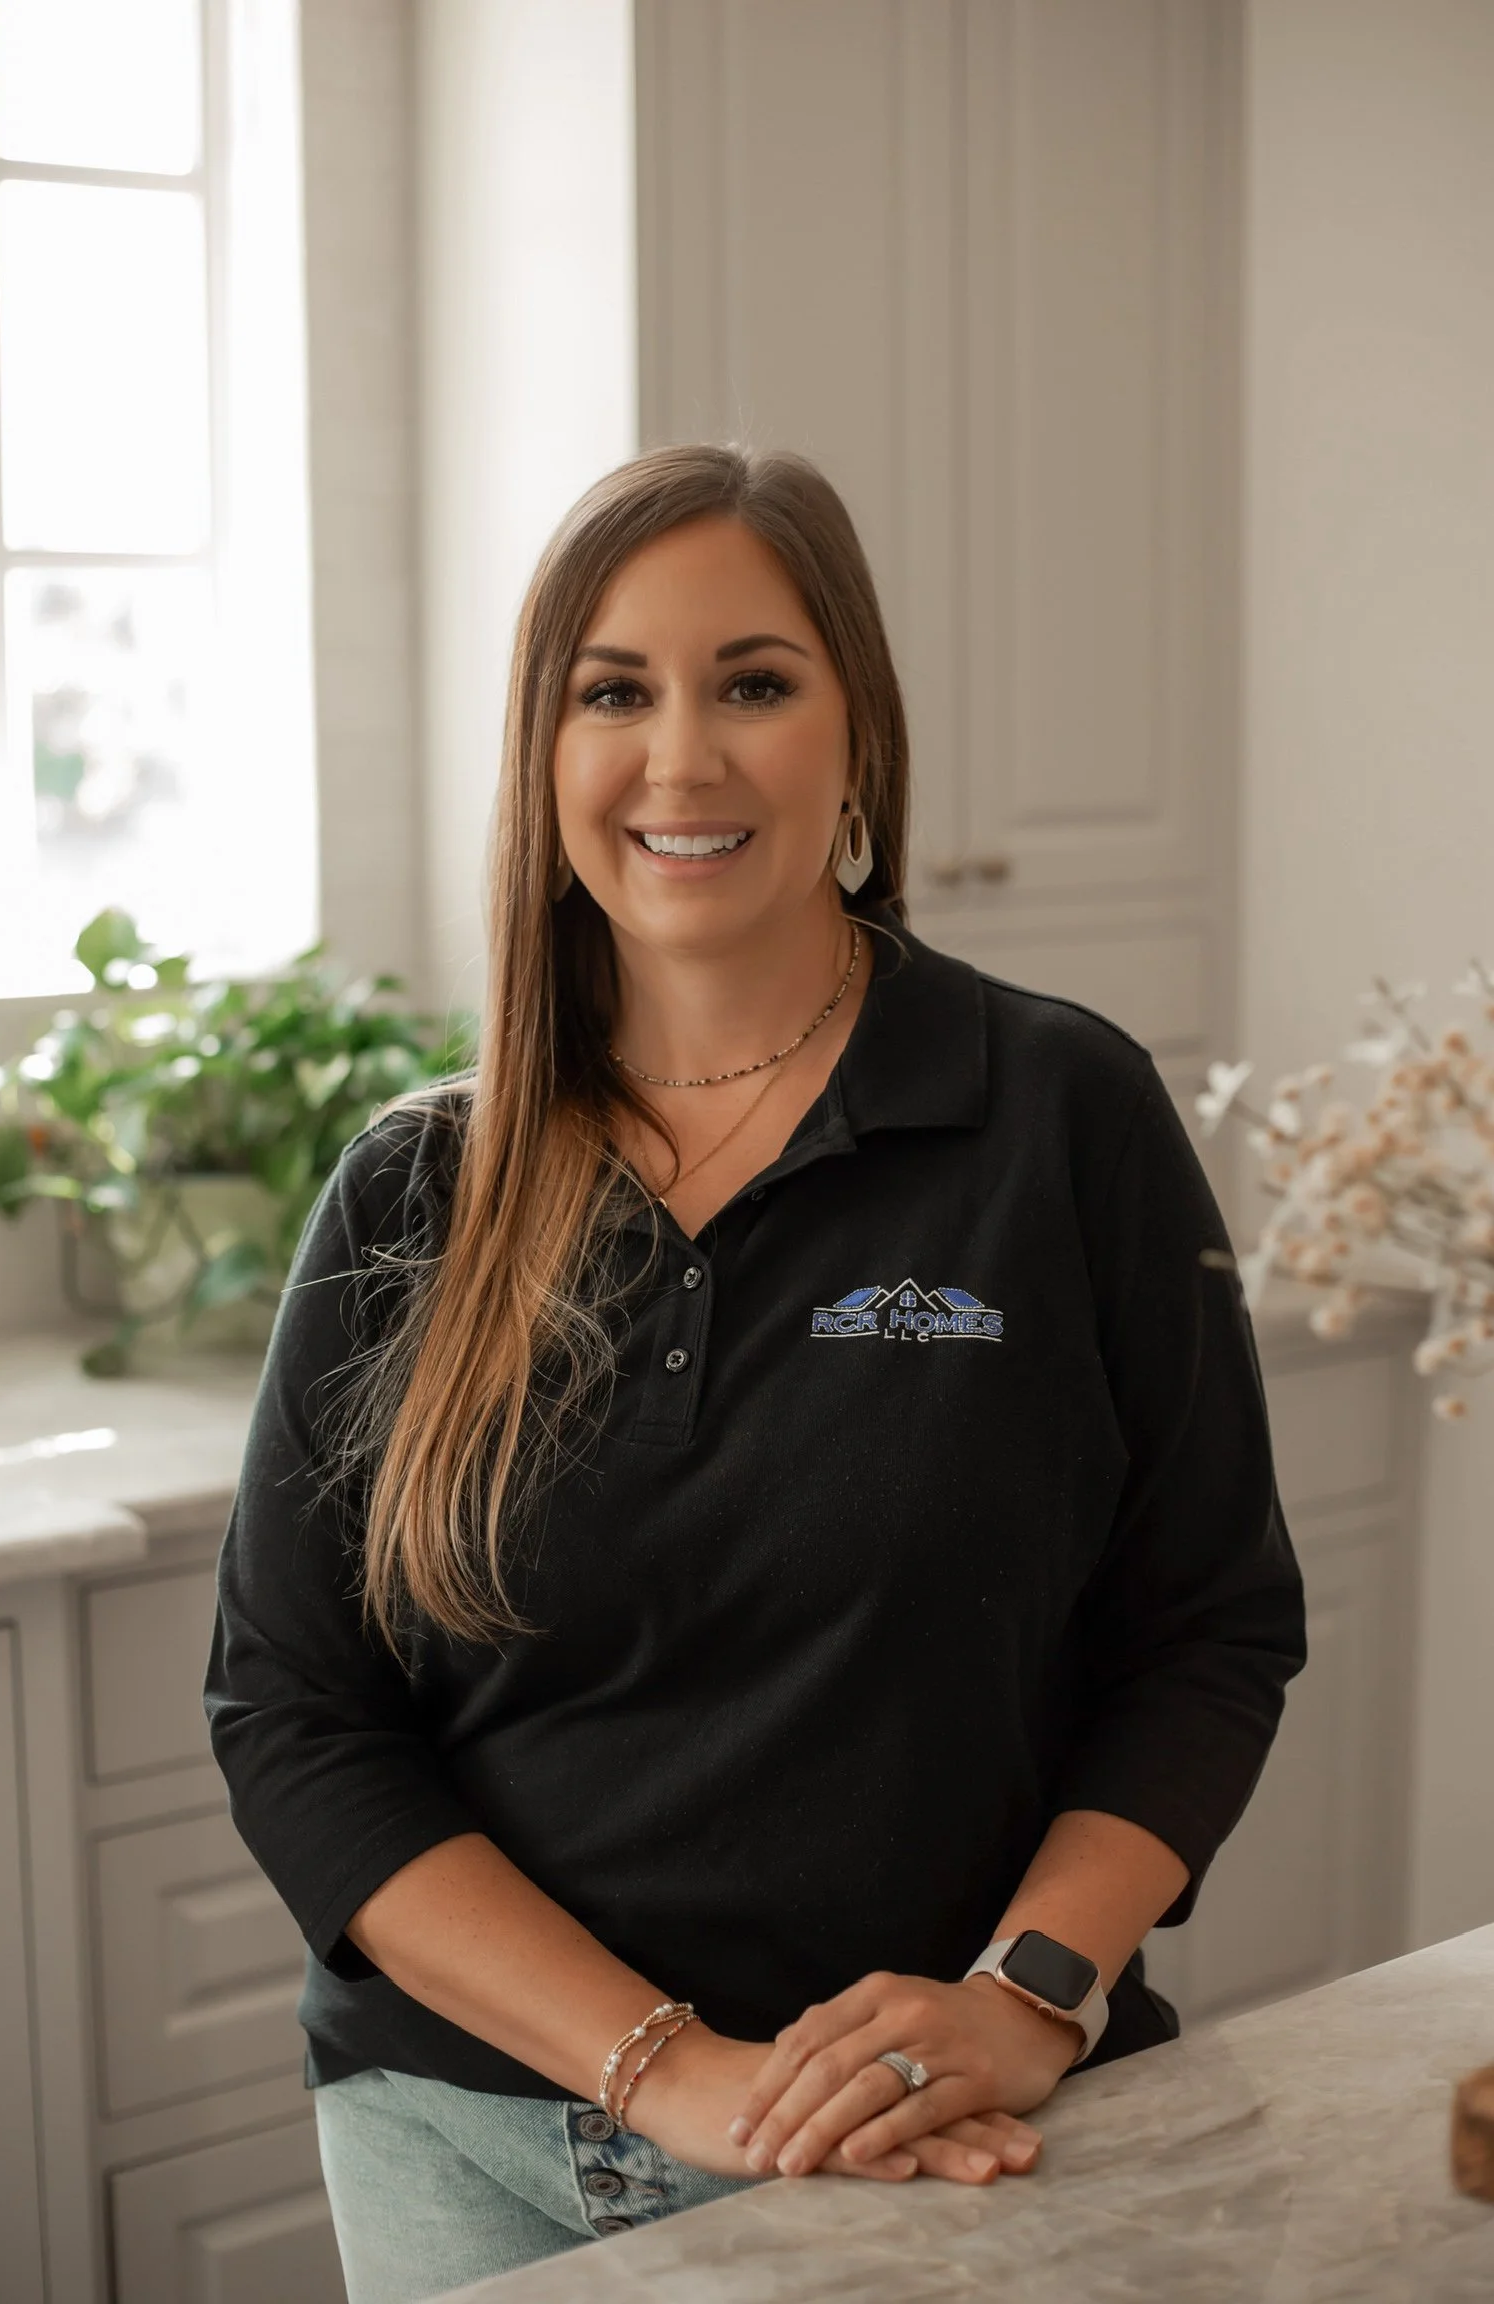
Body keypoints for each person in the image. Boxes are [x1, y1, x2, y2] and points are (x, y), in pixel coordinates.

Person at [205, 444, 1306, 2301]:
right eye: (612, 693)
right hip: (466, 2149)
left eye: (755, 684)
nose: (681, 759)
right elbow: (294, 1715)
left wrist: (1030, 1993)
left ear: (856, 731)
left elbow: (1210, 1629)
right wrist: (673, 2074)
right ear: (543, 755)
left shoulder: (1061, 1117)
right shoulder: (417, 1187)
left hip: (948, 2140)